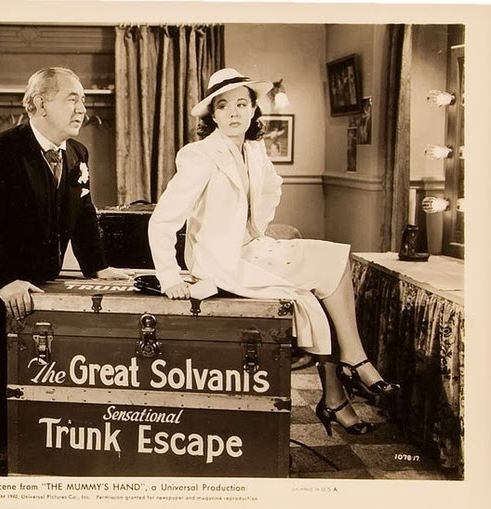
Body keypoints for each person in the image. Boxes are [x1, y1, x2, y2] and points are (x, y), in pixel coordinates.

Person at [148, 68, 399, 437]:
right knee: (326, 273)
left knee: (331, 268)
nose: (233, 112)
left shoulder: (253, 149)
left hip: (251, 249)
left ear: (253, 110)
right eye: (223, 106)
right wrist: (169, 276)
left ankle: (340, 385)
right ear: (212, 115)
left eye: (241, 104)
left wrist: (256, 228)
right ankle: (352, 366)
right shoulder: (199, 155)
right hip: (219, 263)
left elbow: (269, 191)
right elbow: (162, 219)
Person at [0, 67, 129, 476]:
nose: (82, 109)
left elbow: (83, 214)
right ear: (40, 103)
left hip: (30, 276)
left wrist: (98, 266)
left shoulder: (77, 154)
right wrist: (3, 281)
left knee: (23, 362)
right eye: (72, 99)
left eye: (83, 100)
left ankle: (18, 451)